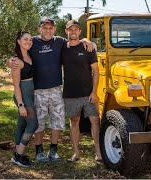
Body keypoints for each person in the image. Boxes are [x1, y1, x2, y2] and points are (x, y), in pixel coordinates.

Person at [9, 18, 94, 162]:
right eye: (45, 27)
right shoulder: (32, 42)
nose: (48, 30)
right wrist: (10, 60)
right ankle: (39, 151)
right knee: (39, 122)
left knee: (57, 120)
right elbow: (19, 51)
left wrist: (88, 40)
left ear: (54, 29)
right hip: (38, 90)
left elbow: (74, 40)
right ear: (39, 29)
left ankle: (53, 151)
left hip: (55, 89)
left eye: (50, 28)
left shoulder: (59, 41)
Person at [62, 20, 102, 162]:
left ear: (79, 31)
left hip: (88, 93)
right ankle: (76, 153)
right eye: (70, 29)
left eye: (76, 29)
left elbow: (96, 71)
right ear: (66, 31)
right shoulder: (62, 48)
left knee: (95, 121)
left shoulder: (88, 47)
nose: (73, 32)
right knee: (74, 122)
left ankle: (98, 152)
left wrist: (94, 92)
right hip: (70, 94)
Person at [11, 30, 38, 167]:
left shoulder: (29, 54)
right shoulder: (16, 61)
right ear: (19, 41)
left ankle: (18, 153)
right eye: (25, 39)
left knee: (22, 124)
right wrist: (21, 104)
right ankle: (18, 155)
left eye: (30, 39)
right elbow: (16, 86)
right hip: (22, 96)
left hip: (30, 94)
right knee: (33, 124)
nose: (28, 42)